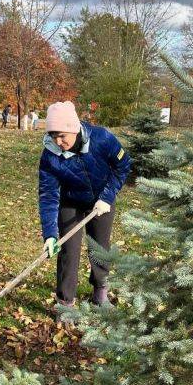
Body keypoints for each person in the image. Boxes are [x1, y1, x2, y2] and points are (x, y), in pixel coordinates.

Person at [39, 101, 131, 307]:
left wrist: (106, 197)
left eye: (62, 136)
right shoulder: (50, 156)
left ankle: (100, 292)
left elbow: (123, 166)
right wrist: (50, 234)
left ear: (73, 128)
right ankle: (65, 302)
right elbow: (48, 196)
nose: (58, 141)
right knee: (68, 252)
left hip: (101, 202)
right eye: (54, 136)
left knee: (99, 247)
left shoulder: (102, 139)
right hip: (70, 202)